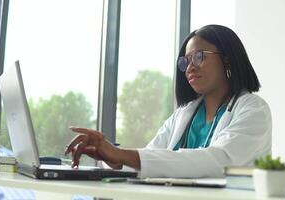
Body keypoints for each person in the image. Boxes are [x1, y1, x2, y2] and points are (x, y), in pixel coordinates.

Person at [64, 24, 272, 178]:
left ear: (226, 58)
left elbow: (217, 161)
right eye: (186, 61)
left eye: (199, 56)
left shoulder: (254, 111)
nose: (190, 67)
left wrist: (121, 154)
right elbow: (150, 157)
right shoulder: (184, 114)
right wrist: (115, 159)